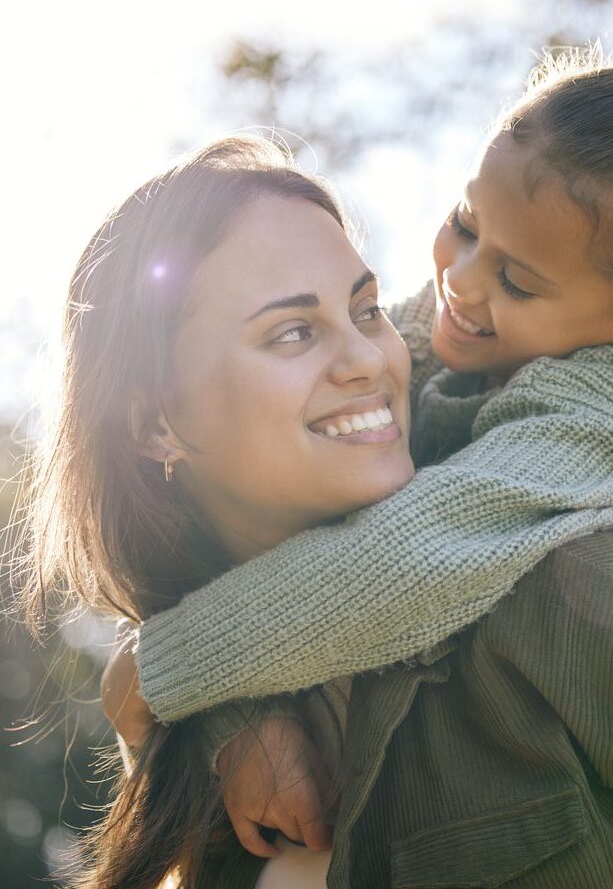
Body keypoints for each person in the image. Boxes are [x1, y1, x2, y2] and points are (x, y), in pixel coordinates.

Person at [101, 29, 613, 887]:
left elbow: (406, 560)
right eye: (464, 223)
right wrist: (239, 713)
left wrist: (165, 667)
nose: (461, 280)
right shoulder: (475, 334)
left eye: (517, 279)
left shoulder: (602, 429)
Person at [17, 134, 414, 887]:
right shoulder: (166, 716)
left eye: (366, 309)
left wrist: (177, 670)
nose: (368, 358)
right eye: (292, 331)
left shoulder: (546, 598)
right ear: (156, 425)